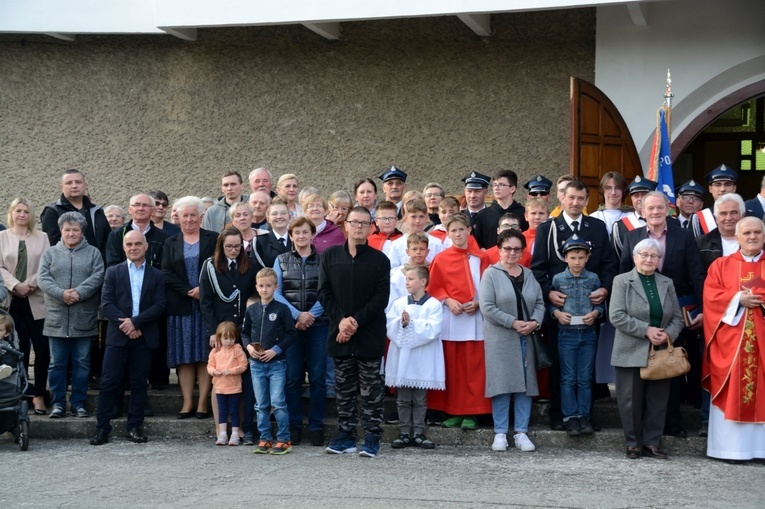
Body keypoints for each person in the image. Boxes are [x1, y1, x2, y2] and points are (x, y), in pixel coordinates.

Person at [530, 179, 618, 430]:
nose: (576, 203)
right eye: (571, 198)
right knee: (561, 368)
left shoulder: (598, 227)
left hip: (590, 309)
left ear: (587, 201)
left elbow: (609, 264)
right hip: (560, 312)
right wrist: (548, 294)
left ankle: (586, 416)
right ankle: (561, 416)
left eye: (581, 199)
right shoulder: (548, 228)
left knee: (586, 369)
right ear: (562, 199)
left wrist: (605, 289)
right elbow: (538, 268)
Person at [619, 191, 705, 438]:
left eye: (660, 208)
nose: (655, 212)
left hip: (672, 313)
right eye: (650, 208)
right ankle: (644, 426)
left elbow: (696, 275)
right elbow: (623, 273)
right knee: (642, 371)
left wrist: (702, 310)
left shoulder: (684, 236)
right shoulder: (632, 236)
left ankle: (672, 422)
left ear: (668, 209)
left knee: (670, 367)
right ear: (642, 211)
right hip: (639, 314)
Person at [319, 207, 390, 458]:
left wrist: (354, 322)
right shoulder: (329, 256)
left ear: (371, 227)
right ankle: (345, 437)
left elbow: (381, 298)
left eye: (364, 223)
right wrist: (341, 321)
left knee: (371, 391)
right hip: (339, 335)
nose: (359, 227)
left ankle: (371, 438)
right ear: (345, 225)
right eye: (354, 222)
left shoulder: (380, 260)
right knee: (344, 389)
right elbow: (324, 293)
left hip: (368, 334)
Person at [90, 230, 166, 446]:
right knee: (108, 383)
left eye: (137, 244)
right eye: (129, 244)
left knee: (139, 383)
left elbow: (159, 305)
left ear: (146, 246)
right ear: (124, 247)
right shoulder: (112, 272)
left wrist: (137, 323)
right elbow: (107, 303)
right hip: (118, 336)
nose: (133, 248)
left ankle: (134, 426)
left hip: (144, 336)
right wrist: (127, 325)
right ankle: (102, 428)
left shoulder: (157, 275)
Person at [610, 238, 684, 459]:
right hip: (630, 347)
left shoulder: (666, 282)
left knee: (658, 399)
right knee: (629, 399)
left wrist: (667, 333)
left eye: (654, 256)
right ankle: (633, 443)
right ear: (635, 257)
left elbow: (678, 318)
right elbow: (616, 315)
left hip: (660, 349)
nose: (649, 259)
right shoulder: (622, 281)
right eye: (644, 255)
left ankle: (652, 442)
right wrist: (646, 330)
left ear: (659, 260)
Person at [702, 216, 765, 462]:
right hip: (731, 343)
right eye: (747, 232)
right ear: (736, 237)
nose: (752, 236)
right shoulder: (720, 265)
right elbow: (710, 297)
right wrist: (738, 299)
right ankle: (729, 450)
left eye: (757, 232)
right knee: (732, 387)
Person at [480, 229, 545, 452]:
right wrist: (513, 322)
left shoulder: (528, 274)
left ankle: (521, 432)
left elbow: (539, 303)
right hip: (501, 337)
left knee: (525, 386)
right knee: (501, 384)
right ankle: (500, 432)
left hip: (526, 336)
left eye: (517, 249)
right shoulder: (491, 274)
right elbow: (487, 307)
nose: (512, 253)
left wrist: (534, 322)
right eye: (507, 248)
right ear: (499, 249)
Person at [427, 213, 492, 430]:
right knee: (453, 369)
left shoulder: (482, 258)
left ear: (469, 230)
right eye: (453, 230)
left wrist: (480, 303)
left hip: (475, 319)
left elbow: (489, 286)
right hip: (452, 319)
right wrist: (448, 301)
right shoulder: (441, 259)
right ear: (447, 233)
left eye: (461, 230)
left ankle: (472, 412)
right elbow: (434, 287)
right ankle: (453, 411)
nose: (457, 234)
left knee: (474, 368)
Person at [38, 212, 105, 419]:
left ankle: (78, 403)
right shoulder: (50, 253)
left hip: (82, 318)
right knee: (56, 363)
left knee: (82, 362)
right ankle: (58, 403)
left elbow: (98, 276)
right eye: (67, 229)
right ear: (61, 231)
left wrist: (78, 293)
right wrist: (62, 294)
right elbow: (43, 278)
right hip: (56, 319)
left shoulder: (93, 253)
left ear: (82, 231)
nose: (71, 233)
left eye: (75, 230)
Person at [199, 226, 259, 444]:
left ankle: (238, 427)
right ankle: (220, 428)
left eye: (237, 246)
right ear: (221, 246)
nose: (233, 250)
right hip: (222, 332)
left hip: (243, 330)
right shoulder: (210, 266)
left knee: (240, 381)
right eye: (228, 247)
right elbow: (205, 301)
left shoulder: (250, 265)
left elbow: (256, 292)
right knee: (221, 381)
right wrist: (213, 331)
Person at [274, 217, 328, 446]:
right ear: (291, 235)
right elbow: (276, 293)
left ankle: (316, 427)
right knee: (292, 378)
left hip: (319, 326)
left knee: (317, 378)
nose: (301, 236)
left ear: (312, 234)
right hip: (292, 328)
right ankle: (294, 426)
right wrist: (297, 315)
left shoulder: (325, 259)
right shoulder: (281, 260)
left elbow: (328, 291)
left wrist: (310, 315)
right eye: (297, 233)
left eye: (306, 232)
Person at [161, 196, 218, 419]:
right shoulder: (170, 242)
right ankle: (186, 403)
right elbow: (165, 272)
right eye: (185, 215)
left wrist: (203, 289)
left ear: (201, 217)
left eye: (193, 215)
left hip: (206, 306)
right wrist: (189, 290)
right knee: (184, 356)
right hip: (181, 306)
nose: (189, 219)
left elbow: (219, 266)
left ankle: (203, 403)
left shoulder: (213, 239)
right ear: (178, 218)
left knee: (205, 355)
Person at [695, 193, 744, 438]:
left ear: (743, 216)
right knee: (711, 365)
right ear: (715, 217)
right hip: (713, 318)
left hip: (748, 321)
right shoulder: (701, 242)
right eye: (723, 214)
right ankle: (708, 418)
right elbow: (695, 280)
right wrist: (700, 311)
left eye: (734, 213)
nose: (728, 218)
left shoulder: (755, 242)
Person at [0, 198, 50, 414]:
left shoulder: (43, 238)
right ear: (11, 213)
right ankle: (17, 392)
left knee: (42, 349)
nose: (22, 214)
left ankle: (39, 394)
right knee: (16, 349)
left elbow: (48, 264)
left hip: (35, 299)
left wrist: (29, 284)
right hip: (11, 302)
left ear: (31, 215)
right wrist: (15, 285)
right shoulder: (1, 237)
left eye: (26, 211)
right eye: (18, 211)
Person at [385, 265, 444, 450]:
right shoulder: (399, 303)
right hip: (403, 357)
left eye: (411, 279)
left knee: (419, 399)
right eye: (406, 279)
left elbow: (433, 329)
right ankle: (403, 433)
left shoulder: (433, 304)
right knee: (402, 398)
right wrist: (401, 323)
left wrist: (411, 323)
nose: (407, 282)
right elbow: (389, 326)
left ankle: (418, 433)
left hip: (423, 358)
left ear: (423, 282)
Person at [550, 236, 604, 436]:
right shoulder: (558, 279)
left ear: (588, 257)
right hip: (567, 334)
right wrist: (556, 313)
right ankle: (570, 417)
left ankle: (584, 416)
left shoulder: (593, 279)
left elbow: (600, 303)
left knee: (584, 378)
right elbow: (549, 304)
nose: (577, 262)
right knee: (568, 377)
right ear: (565, 258)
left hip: (588, 334)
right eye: (572, 257)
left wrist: (596, 313)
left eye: (581, 257)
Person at [242, 268, 297, 455]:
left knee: (278, 402)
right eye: (261, 286)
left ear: (276, 287)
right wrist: (249, 347)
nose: (264, 289)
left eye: (268, 286)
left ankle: (284, 438)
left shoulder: (282, 310)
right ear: (256, 287)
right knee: (260, 403)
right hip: (256, 364)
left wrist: (276, 350)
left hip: (276, 364)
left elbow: (291, 334)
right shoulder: (252, 310)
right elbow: (244, 333)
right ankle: (264, 438)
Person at [40, 169, 111, 259]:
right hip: (66, 268)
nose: (74, 186)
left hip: (97, 267)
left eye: (78, 182)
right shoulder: (52, 212)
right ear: (62, 187)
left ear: (85, 185)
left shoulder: (96, 211)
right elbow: (51, 244)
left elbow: (108, 242)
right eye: (69, 183)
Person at [207, 321, 248, 446]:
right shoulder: (215, 352)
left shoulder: (237, 350)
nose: (229, 341)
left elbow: (244, 365)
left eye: (232, 338)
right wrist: (214, 371)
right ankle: (223, 433)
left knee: (234, 410)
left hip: (234, 387)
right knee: (222, 410)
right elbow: (210, 365)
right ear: (219, 338)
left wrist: (231, 371)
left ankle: (235, 433)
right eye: (225, 338)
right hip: (220, 387)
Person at [105, 194, 168, 269]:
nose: (140, 208)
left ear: (153, 211)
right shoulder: (117, 234)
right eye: (137, 205)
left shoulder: (163, 237)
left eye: (145, 205)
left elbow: (165, 267)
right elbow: (113, 265)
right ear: (130, 210)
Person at [473, 170, 528, 249]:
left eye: (501, 185)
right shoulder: (483, 214)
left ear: (512, 189)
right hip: (489, 258)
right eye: (494, 185)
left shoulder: (523, 213)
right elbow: (477, 241)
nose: (496, 188)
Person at [388, 199, 443, 269]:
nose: (417, 221)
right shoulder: (397, 244)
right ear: (406, 218)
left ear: (426, 218)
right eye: (413, 217)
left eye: (421, 216)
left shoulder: (436, 243)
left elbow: (441, 267)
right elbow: (391, 269)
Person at [611, 175, 656, 259]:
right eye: (636, 196)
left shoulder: (669, 222)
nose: (640, 199)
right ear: (631, 199)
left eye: (644, 194)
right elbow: (616, 260)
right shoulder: (620, 227)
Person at [691, 164, 738, 238]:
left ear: (734, 188)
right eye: (718, 185)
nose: (722, 189)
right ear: (710, 188)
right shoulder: (699, 218)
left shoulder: (745, 215)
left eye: (727, 184)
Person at [589, 172, 632, 240]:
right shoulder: (593, 218)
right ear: (602, 191)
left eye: (617, 188)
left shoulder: (632, 217)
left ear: (623, 191)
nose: (613, 192)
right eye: (608, 188)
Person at [227, 202, 267, 271]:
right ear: (232, 221)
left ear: (252, 217)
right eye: (238, 215)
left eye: (245, 214)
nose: (242, 218)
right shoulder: (227, 240)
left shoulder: (265, 235)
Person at [256, 200, 292, 268]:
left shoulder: (297, 239)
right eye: (274, 214)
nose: (279, 216)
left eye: (283, 213)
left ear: (289, 217)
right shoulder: (260, 242)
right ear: (268, 219)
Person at [521, 197, 550, 268]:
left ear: (548, 216)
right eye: (533, 213)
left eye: (541, 213)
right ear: (526, 216)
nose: (537, 217)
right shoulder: (520, 238)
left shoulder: (552, 237)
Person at [0, 314, 15, 381]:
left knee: (13, 354)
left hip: (3, 362)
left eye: (0, 330)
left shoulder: (7, 344)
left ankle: (3, 368)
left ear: (7, 333)